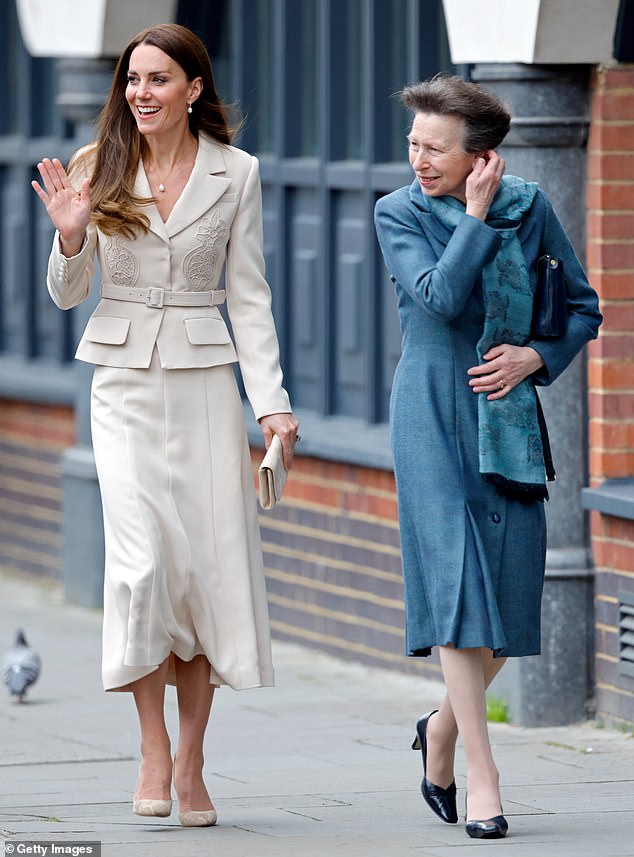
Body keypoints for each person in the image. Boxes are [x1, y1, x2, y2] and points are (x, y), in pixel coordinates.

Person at [32, 23, 298, 828]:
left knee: (203, 573)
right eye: (132, 79)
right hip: (121, 385)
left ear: (192, 88)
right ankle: (151, 746)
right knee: (143, 566)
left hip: (206, 385)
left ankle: (191, 761)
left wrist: (272, 402)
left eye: (157, 79)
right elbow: (66, 291)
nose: (140, 93)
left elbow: (248, 295)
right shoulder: (94, 166)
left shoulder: (237, 173)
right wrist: (71, 235)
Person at [374, 75, 601, 840]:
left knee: (506, 593)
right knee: (459, 585)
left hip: (504, 415)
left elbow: (581, 307)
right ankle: (481, 771)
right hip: (432, 409)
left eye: (434, 148)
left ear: (482, 155)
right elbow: (438, 298)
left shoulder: (530, 206)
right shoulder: (398, 211)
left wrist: (534, 359)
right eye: (413, 144)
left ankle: (438, 728)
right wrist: (471, 217)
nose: (418, 159)